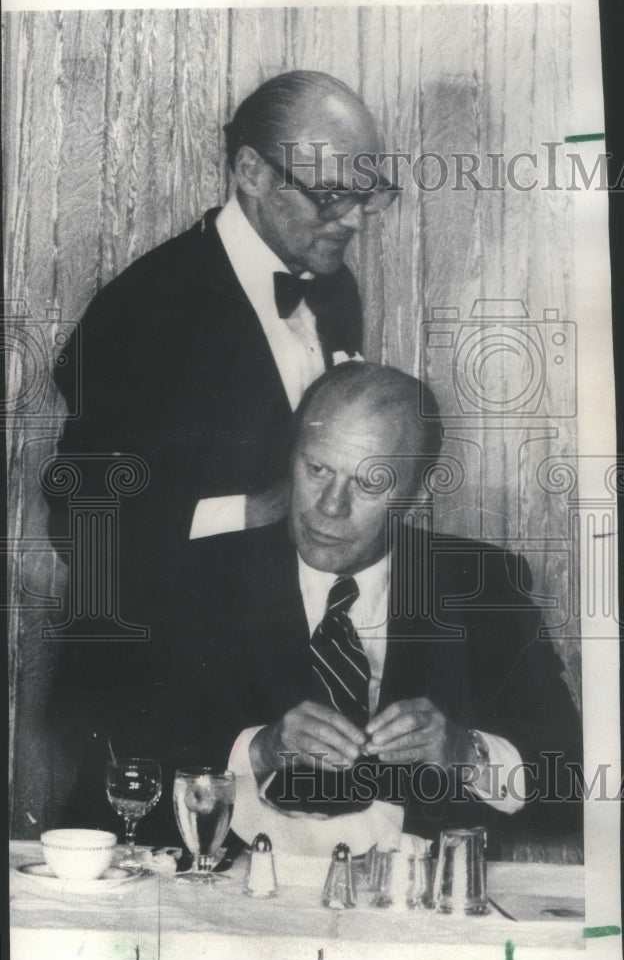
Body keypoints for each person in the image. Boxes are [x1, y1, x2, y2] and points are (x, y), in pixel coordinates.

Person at [47, 71, 397, 823]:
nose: (357, 221)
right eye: (333, 194)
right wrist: (262, 507)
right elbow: (82, 525)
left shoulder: (333, 288)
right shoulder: (143, 310)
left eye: (369, 195)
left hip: (283, 678)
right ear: (250, 173)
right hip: (158, 696)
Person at [164, 362, 583, 855]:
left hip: (411, 906)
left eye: (368, 484)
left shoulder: (479, 583)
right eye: (317, 469)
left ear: (419, 491)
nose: (330, 506)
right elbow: (118, 760)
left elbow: (571, 785)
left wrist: (465, 754)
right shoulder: (195, 578)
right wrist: (258, 751)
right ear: (291, 457)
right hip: (233, 895)